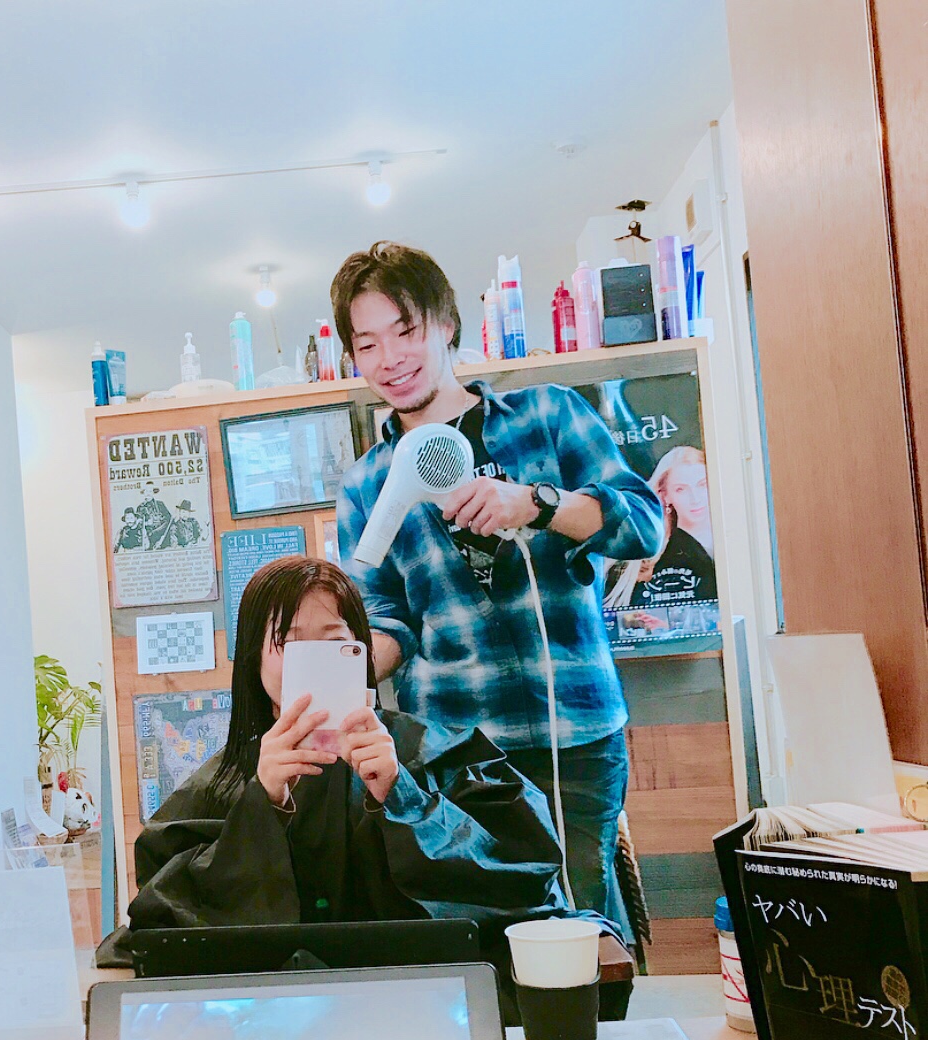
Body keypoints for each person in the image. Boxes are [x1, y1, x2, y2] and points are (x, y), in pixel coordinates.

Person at [330, 242, 664, 933]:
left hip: (575, 734)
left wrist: (537, 504)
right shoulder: (366, 485)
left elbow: (643, 525)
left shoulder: (549, 416)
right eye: (367, 344)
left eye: (405, 331)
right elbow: (384, 620)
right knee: (479, 932)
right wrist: (328, 676)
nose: (390, 358)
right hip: (456, 751)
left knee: (582, 933)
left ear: (447, 324)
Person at [107, 556, 591, 968]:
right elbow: (165, 913)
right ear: (254, 657)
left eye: (332, 639)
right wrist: (262, 807)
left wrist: (402, 797)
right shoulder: (223, 778)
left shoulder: (437, 751)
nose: (313, 656)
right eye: (289, 641)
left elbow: (524, 874)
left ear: (359, 650)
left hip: (417, 994)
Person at [604, 446, 716, 611]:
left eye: (702, 484)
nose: (695, 498)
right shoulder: (646, 554)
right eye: (681, 489)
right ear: (665, 495)